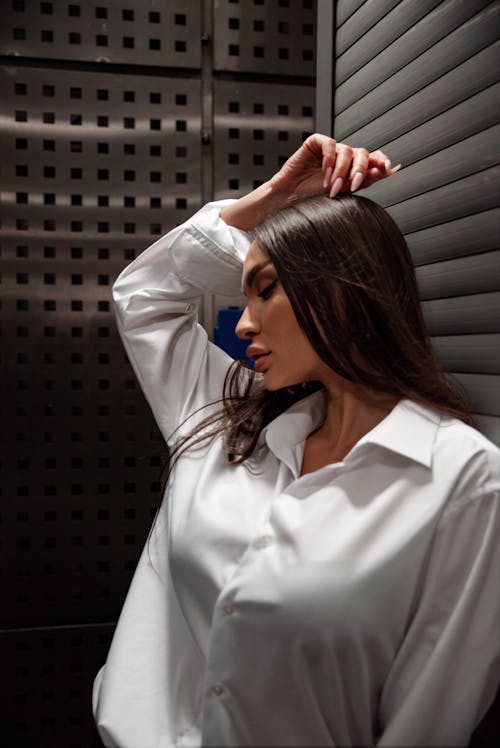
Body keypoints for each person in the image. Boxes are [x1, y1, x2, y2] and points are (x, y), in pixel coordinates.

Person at [92, 134, 500, 747]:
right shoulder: (225, 416)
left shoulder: (462, 478)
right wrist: (275, 199)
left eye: (265, 289)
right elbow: (145, 297)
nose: (243, 322)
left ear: (341, 288)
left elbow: (427, 719)